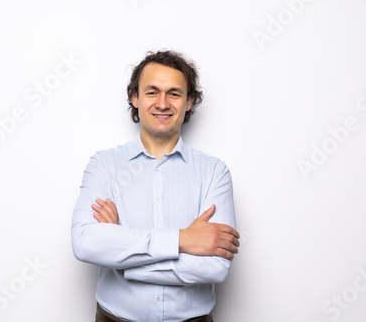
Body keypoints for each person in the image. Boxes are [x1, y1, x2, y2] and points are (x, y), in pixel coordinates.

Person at [71, 50, 240, 322]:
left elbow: (215, 267)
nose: (162, 103)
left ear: (188, 102)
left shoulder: (214, 172)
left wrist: (123, 259)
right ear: (135, 98)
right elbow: (85, 243)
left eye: (174, 93)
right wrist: (183, 239)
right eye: (152, 92)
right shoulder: (104, 164)